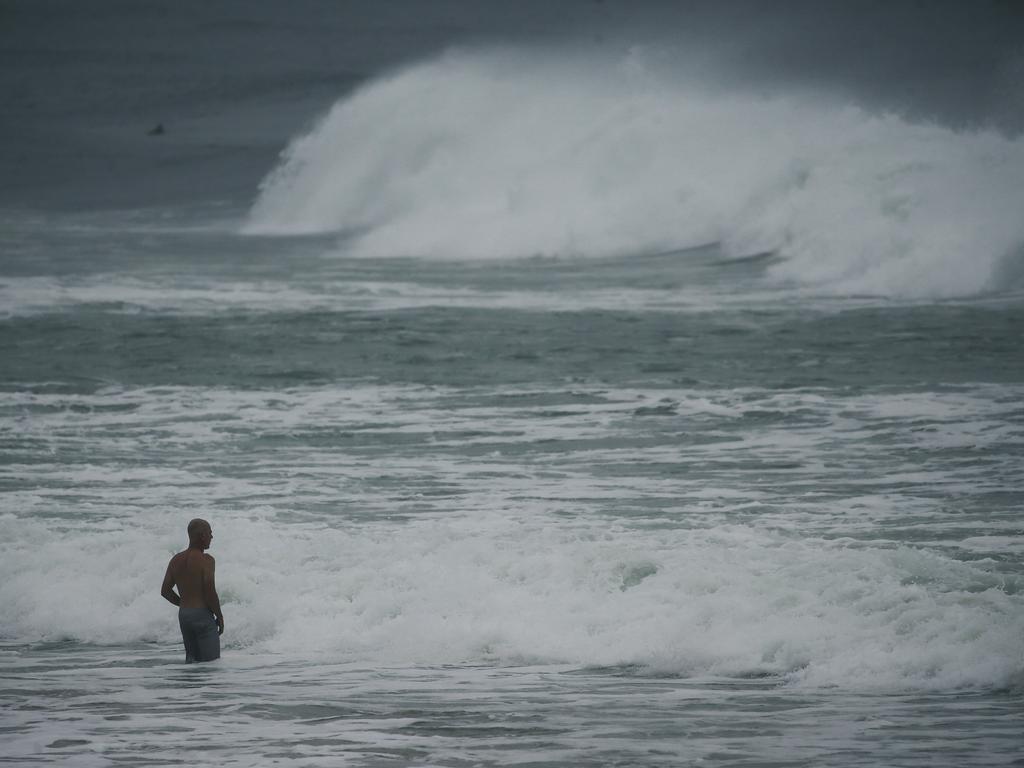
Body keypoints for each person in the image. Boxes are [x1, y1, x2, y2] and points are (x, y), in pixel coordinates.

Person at [161, 518, 224, 662]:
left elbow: (165, 591)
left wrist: (184, 604)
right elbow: (210, 592)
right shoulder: (206, 560)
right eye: (210, 533)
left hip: (184, 616)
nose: (211, 537)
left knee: (191, 662)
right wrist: (219, 616)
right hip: (202, 615)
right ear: (202, 535)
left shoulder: (176, 560)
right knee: (210, 664)